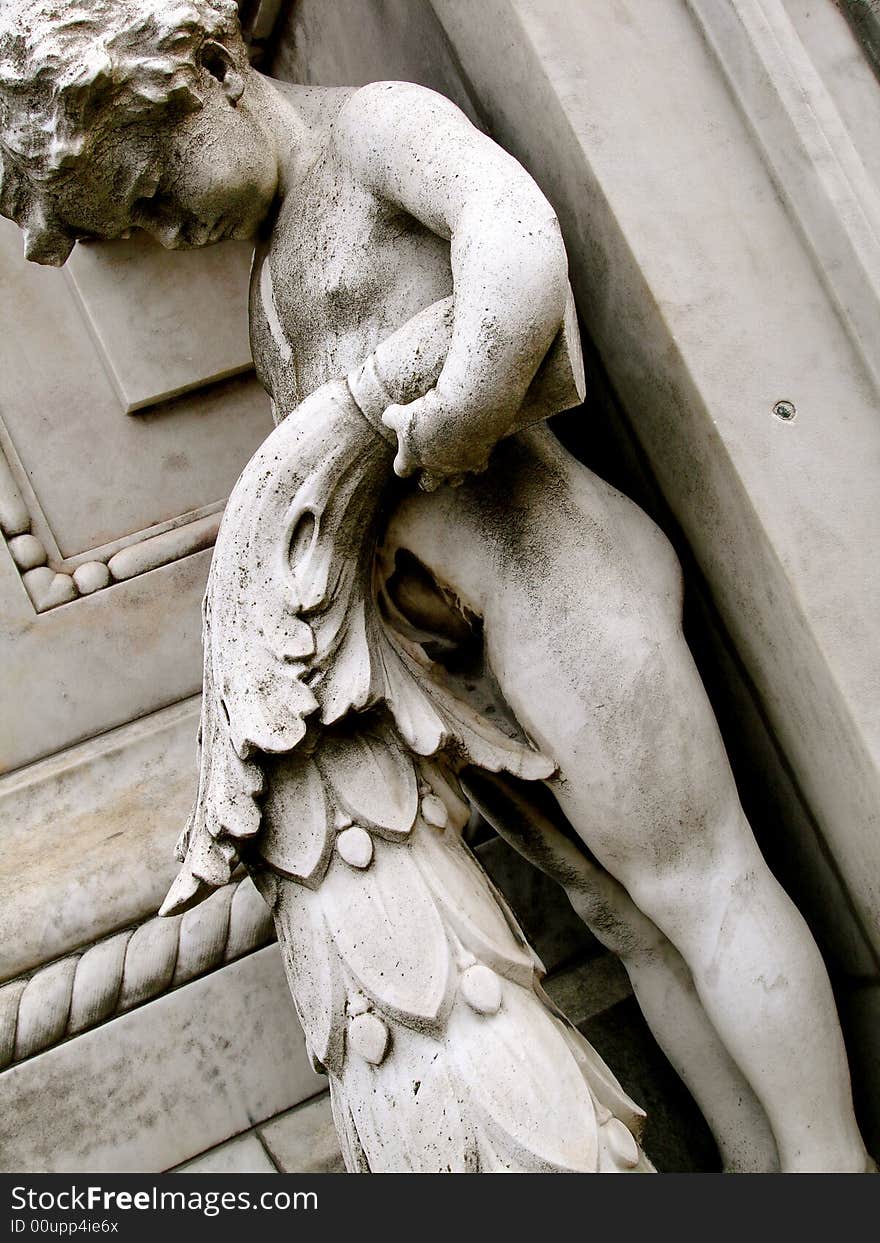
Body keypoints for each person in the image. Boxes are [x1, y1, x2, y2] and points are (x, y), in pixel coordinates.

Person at [0, 0, 871, 1173]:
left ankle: (831, 1170)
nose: (167, 233)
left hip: (554, 574)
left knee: (704, 888)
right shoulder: (267, 275)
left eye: (155, 189)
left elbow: (511, 233)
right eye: (141, 225)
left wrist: (468, 394)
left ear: (212, 67)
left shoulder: (374, 130)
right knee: (632, 929)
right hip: (470, 653)